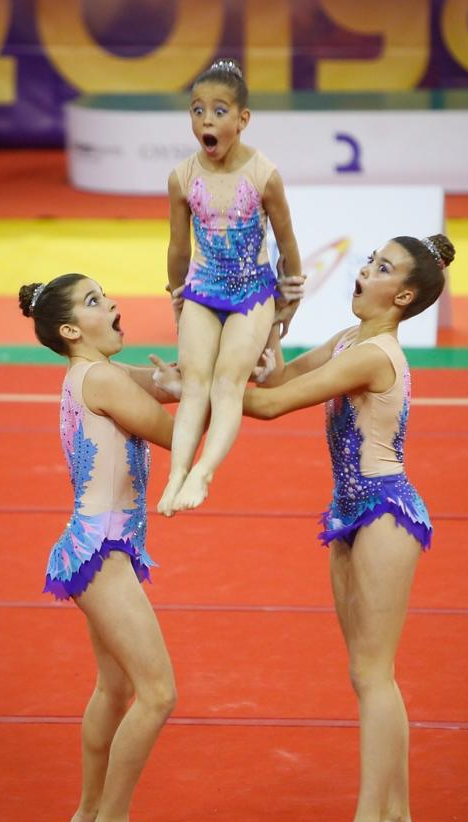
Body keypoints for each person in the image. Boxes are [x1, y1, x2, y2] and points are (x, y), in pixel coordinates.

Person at [241, 233, 455, 822]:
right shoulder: (346, 341)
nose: (365, 270)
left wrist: (193, 388)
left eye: (382, 268)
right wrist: (272, 322)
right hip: (348, 514)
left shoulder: (376, 354)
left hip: (387, 510)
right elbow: (274, 377)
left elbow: (272, 405)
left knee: (373, 672)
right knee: (367, 674)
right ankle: (397, 813)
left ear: (405, 295)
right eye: (369, 260)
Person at [18, 273, 178, 822]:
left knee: (115, 689)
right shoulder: (103, 378)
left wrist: (185, 380)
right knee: (158, 693)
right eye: (93, 302)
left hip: (102, 547)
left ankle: (89, 809)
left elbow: (158, 390)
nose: (110, 304)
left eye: (104, 295)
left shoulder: (91, 374)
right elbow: (168, 430)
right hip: (102, 551)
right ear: (68, 330)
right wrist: (223, 390)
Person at [158, 57, 302, 516]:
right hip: (202, 288)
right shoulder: (182, 178)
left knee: (227, 383)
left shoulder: (263, 175)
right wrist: (177, 296)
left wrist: (288, 304)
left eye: (219, 111)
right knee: (194, 383)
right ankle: (177, 473)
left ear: (242, 120)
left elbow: (287, 242)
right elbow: (178, 247)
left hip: (252, 293)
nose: (206, 120)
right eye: (197, 110)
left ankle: (203, 472)